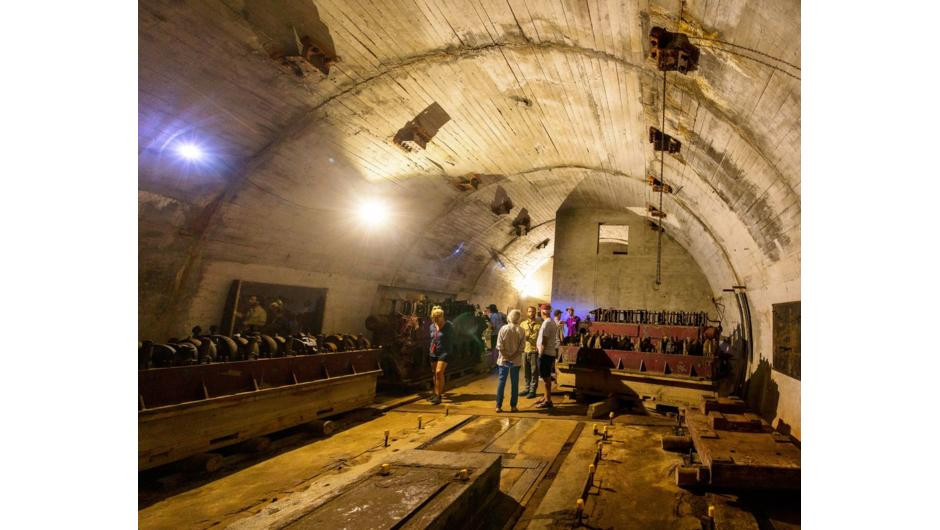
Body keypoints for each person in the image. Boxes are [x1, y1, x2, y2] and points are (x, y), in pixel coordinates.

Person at [495, 309, 525, 412]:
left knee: (501, 382)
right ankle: (513, 406)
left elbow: (499, 345)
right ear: (519, 318)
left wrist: (506, 357)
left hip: (503, 361)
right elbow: (521, 348)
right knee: (515, 383)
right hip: (515, 361)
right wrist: (512, 357)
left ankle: (498, 406)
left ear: (509, 317)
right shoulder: (521, 330)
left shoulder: (503, 329)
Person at [535, 305, 560, 409]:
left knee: (546, 378)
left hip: (545, 354)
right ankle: (546, 397)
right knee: (547, 377)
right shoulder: (551, 322)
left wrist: (541, 353)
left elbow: (544, 340)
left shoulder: (547, 323)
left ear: (543, 312)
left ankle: (548, 401)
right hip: (550, 353)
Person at [428, 306, 453, 405]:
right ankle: (435, 393)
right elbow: (431, 338)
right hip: (434, 352)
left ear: (442, 316)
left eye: (438, 317)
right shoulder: (432, 327)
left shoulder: (449, 326)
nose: (436, 319)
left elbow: (453, 339)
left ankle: (438, 396)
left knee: (439, 372)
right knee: (435, 373)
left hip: (444, 351)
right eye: (434, 317)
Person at [520, 306, 541, 398]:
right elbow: (519, 336)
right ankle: (527, 388)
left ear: (535, 313)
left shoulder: (539, 325)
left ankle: (533, 390)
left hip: (534, 351)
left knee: (534, 371)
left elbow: (541, 338)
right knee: (526, 371)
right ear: (527, 313)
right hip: (525, 350)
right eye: (529, 311)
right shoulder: (523, 324)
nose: (531, 313)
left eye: (533, 311)